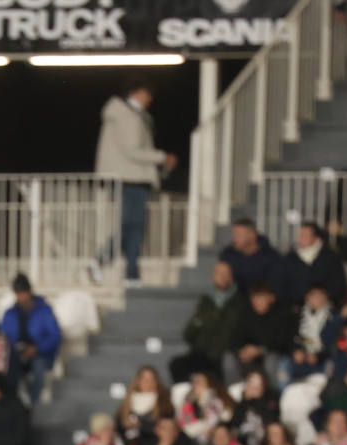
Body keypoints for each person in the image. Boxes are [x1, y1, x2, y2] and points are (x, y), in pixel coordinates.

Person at [91, 81, 176, 286]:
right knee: (132, 227)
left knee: (133, 227)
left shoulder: (131, 114)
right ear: (136, 92)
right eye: (147, 93)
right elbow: (132, 149)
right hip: (129, 178)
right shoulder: (126, 114)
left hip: (131, 177)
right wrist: (161, 157)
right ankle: (105, 261)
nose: (150, 99)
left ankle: (130, 274)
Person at [170, 261, 244, 382]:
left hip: (225, 355)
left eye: (225, 274)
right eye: (218, 273)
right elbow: (188, 334)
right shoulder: (206, 302)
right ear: (213, 277)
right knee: (177, 365)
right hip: (201, 353)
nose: (222, 277)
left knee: (225, 365)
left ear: (232, 277)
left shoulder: (239, 302)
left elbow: (231, 331)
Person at [0, 273, 60, 406]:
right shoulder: (10, 313)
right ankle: (12, 404)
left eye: (23, 292)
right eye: (18, 293)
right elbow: (2, 336)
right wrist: (13, 350)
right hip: (16, 353)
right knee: (6, 369)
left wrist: (37, 348)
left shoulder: (44, 311)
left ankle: (33, 405)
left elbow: (54, 336)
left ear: (29, 291)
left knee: (38, 368)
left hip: (40, 353)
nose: (21, 297)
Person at [226, 282, 294, 384]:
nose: (256, 301)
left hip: (273, 356)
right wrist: (242, 351)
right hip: (250, 359)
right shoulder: (247, 314)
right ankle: (235, 394)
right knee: (228, 358)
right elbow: (235, 338)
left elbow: (282, 343)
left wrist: (260, 350)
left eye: (260, 297)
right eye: (254, 298)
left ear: (271, 298)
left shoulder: (282, 315)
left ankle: (274, 397)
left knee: (271, 361)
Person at [279, 222, 347, 307]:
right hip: (296, 308)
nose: (301, 238)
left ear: (316, 238)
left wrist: (322, 297)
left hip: (327, 307)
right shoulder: (290, 258)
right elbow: (283, 284)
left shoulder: (331, 257)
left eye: (305, 235)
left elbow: (339, 284)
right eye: (300, 235)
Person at [219, 219, 283, 294]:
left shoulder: (271, 257)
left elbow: (275, 286)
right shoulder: (229, 253)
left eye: (238, 235)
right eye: (234, 234)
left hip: (262, 298)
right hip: (237, 296)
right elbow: (221, 280)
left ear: (252, 235)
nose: (234, 238)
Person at [117, 365, 174, 445]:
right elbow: (117, 425)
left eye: (152, 379)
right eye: (144, 379)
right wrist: (125, 425)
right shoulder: (127, 403)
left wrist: (141, 425)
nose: (148, 382)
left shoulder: (164, 402)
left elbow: (167, 426)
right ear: (138, 381)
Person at [177, 370, 232, 445]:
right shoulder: (189, 402)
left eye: (198, 382)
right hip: (196, 442)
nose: (194, 385)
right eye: (193, 382)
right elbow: (184, 424)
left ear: (209, 384)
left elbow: (215, 422)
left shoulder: (215, 401)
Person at [231, 371, 279, 445]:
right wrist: (247, 399)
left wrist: (258, 398)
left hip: (266, 443)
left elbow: (270, 420)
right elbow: (236, 424)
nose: (255, 389)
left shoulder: (271, 399)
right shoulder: (241, 405)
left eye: (258, 386)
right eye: (252, 385)